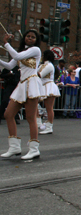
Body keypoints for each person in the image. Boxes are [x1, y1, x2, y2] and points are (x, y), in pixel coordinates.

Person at [0, 30, 43, 159]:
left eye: (33, 37)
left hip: (32, 83)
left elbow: (17, 57)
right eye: (28, 36)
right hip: (22, 84)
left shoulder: (35, 50)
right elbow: (8, 65)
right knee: (8, 114)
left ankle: (34, 149)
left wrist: (6, 43)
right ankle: (14, 147)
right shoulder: (21, 52)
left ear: (36, 40)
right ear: (24, 38)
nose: (30, 38)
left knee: (30, 117)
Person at [38, 50, 61, 134]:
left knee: (49, 108)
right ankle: (42, 123)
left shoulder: (49, 65)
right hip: (44, 86)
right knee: (40, 105)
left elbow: (40, 75)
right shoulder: (43, 65)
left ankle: (49, 127)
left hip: (49, 86)